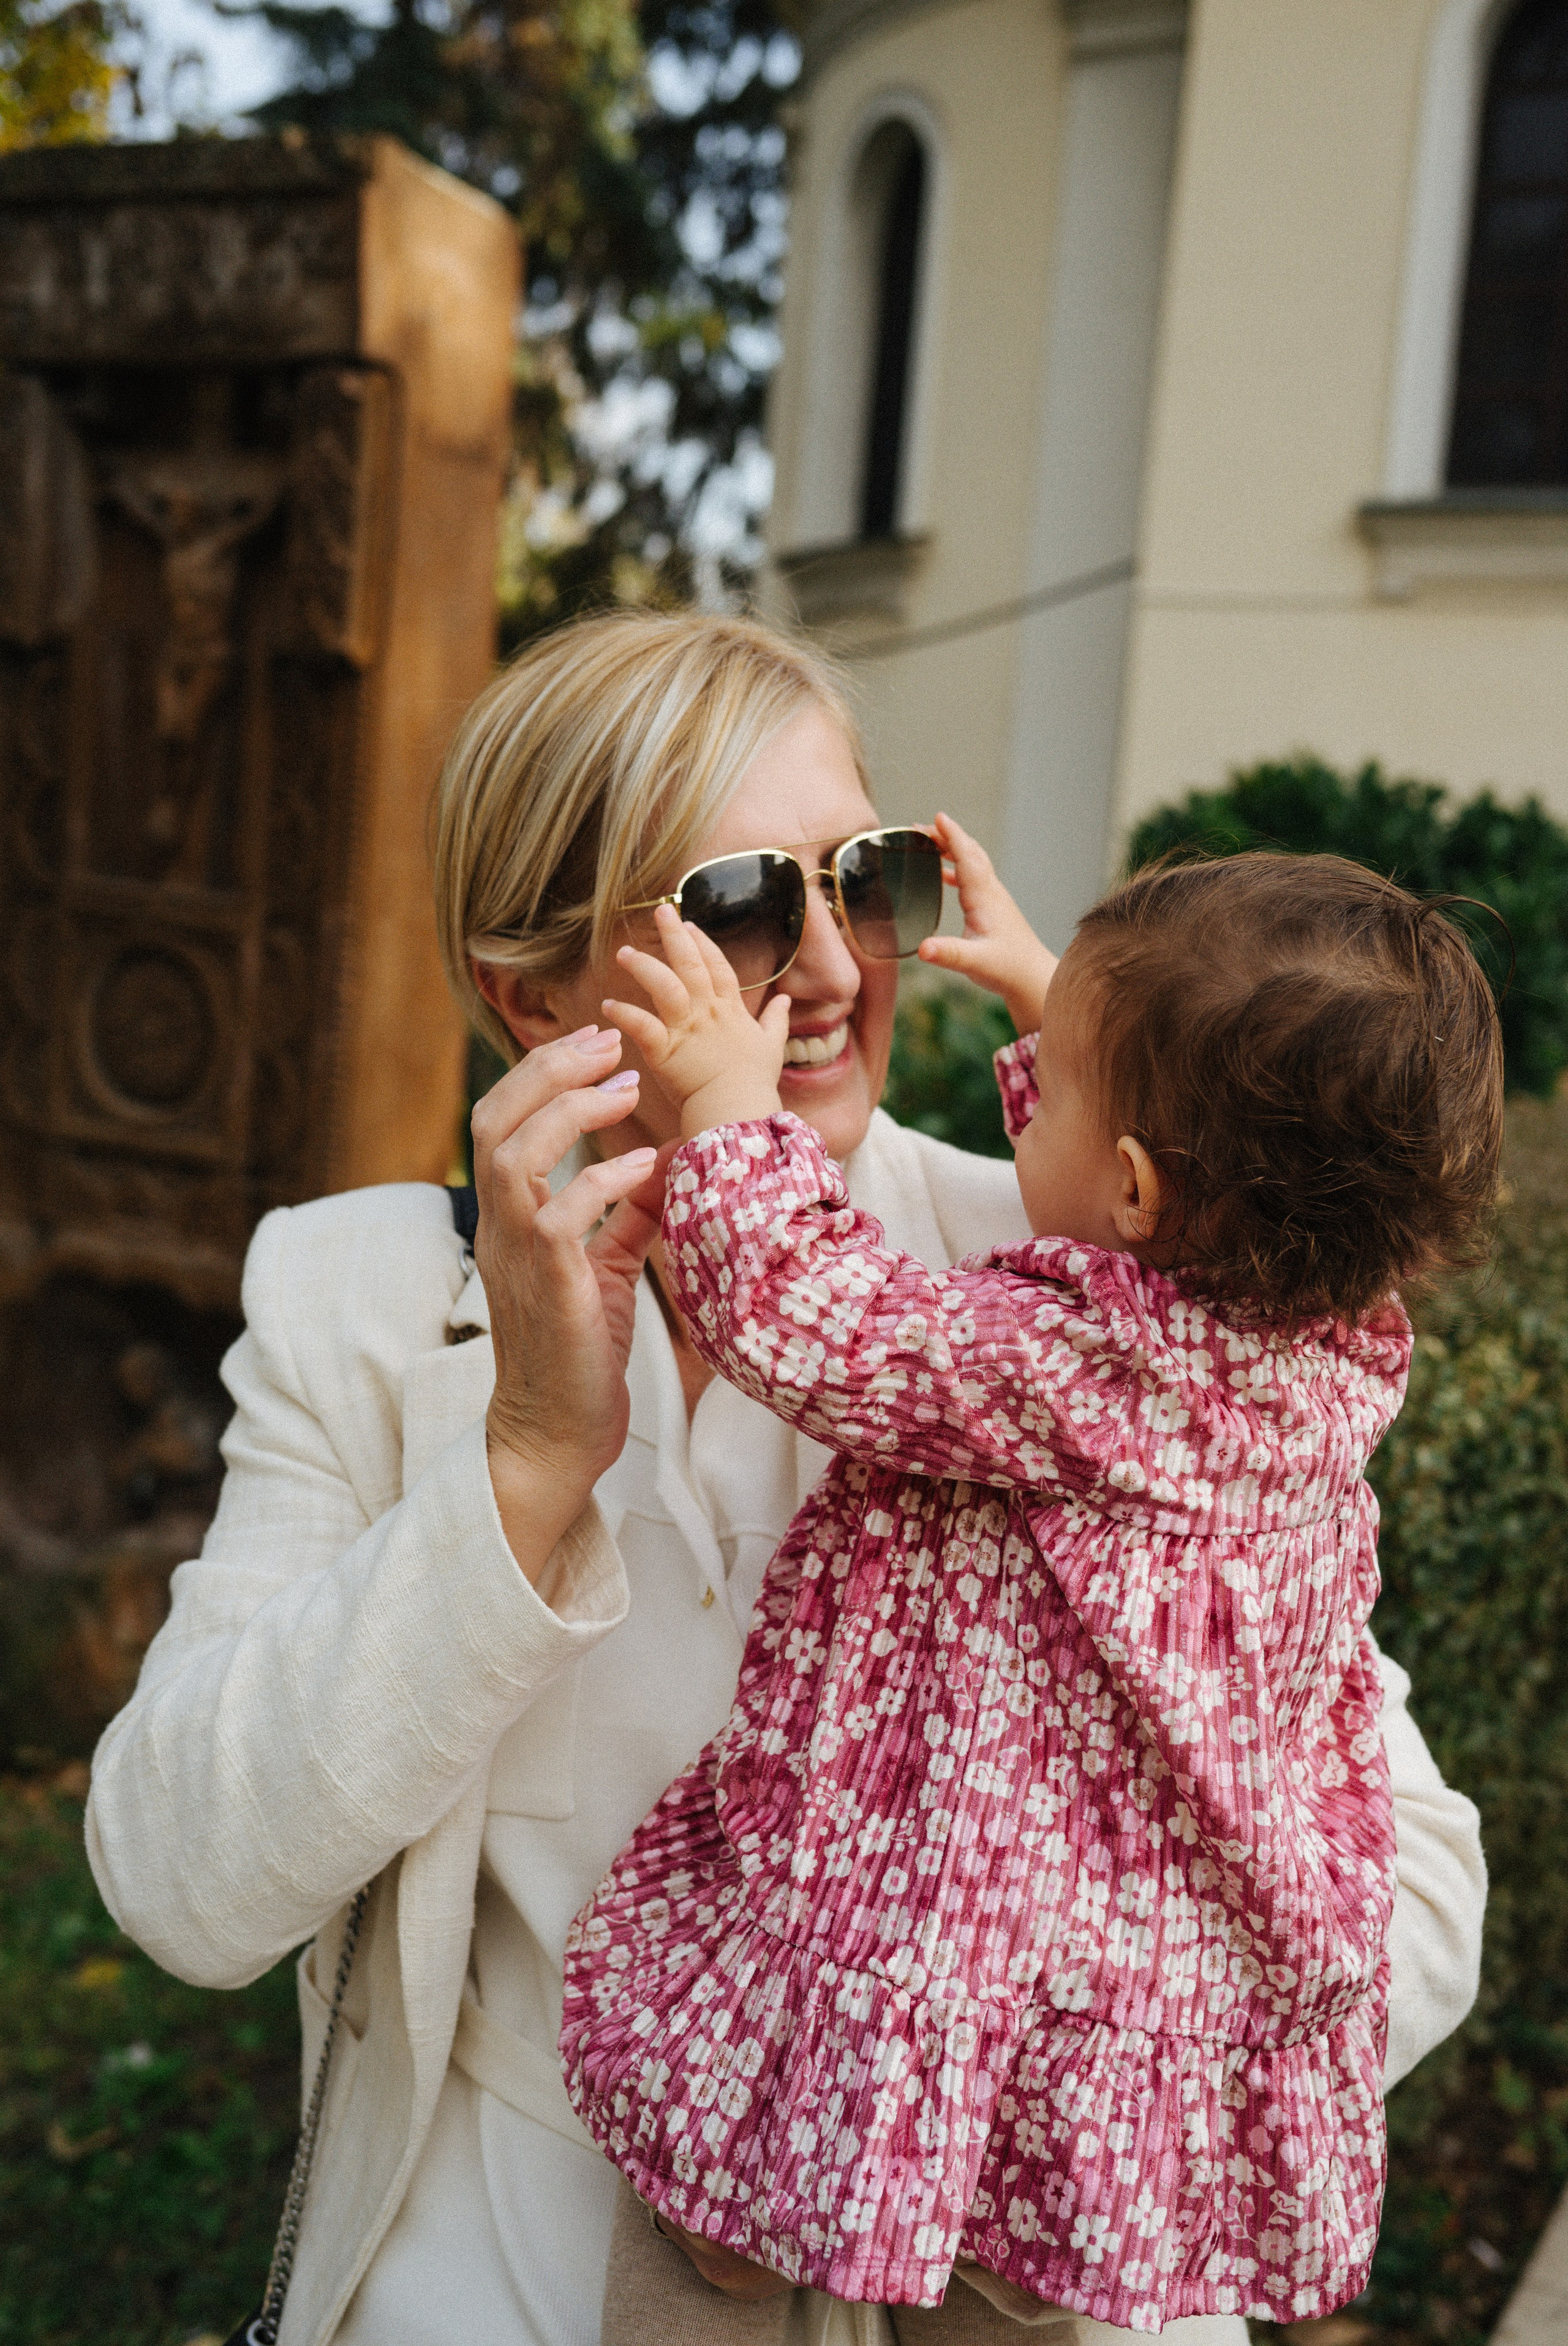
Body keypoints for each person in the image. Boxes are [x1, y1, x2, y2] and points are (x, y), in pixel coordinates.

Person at [84, 612, 1486, 2346]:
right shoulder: (362, 1304)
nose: (831, 968)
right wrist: (526, 1462)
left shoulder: (1081, 1298)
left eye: (867, 881)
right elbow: (180, 1882)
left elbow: (1414, 1885)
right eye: (749, 904)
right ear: (533, 995)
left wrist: (992, 2088)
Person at [561, 831, 1504, 2340]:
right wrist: (1069, 1020)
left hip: (946, 1903)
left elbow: (825, 1319)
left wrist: (733, 1109)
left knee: (701, 2203)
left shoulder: (1086, 1367)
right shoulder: (1319, 1356)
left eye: (1053, 1079)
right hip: (1112, 2006)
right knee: (1029, 2285)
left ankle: (731, 2253)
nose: (1028, 1098)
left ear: (1135, 1182)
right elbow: (1148, 1188)